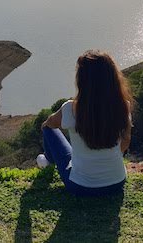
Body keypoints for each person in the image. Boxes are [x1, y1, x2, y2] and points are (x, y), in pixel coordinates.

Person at [38, 49, 132, 197]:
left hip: (80, 186)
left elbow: (50, 123)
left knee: (47, 128)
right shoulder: (123, 106)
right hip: (117, 182)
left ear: (82, 80)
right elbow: (126, 141)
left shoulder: (70, 108)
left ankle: (47, 161)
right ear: (113, 78)